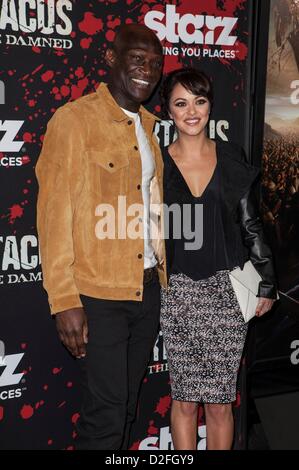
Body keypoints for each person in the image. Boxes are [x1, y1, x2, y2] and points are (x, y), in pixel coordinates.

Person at [35, 24, 166, 450]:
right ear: (111, 58)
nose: (147, 70)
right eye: (137, 59)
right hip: (100, 295)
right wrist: (64, 299)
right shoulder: (74, 121)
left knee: (127, 406)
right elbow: (53, 217)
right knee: (106, 414)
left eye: (155, 63)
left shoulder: (149, 127)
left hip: (146, 289)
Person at [159, 68, 277, 450]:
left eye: (199, 101)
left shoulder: (230, 157)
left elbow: (251, 225)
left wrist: (267, 281)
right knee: (183, 400)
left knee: (220, 404)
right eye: (181, 103)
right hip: (176, 293)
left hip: (226, 293)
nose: (191, 111)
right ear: (169, 112)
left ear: (210, 105)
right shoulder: (156, 165)